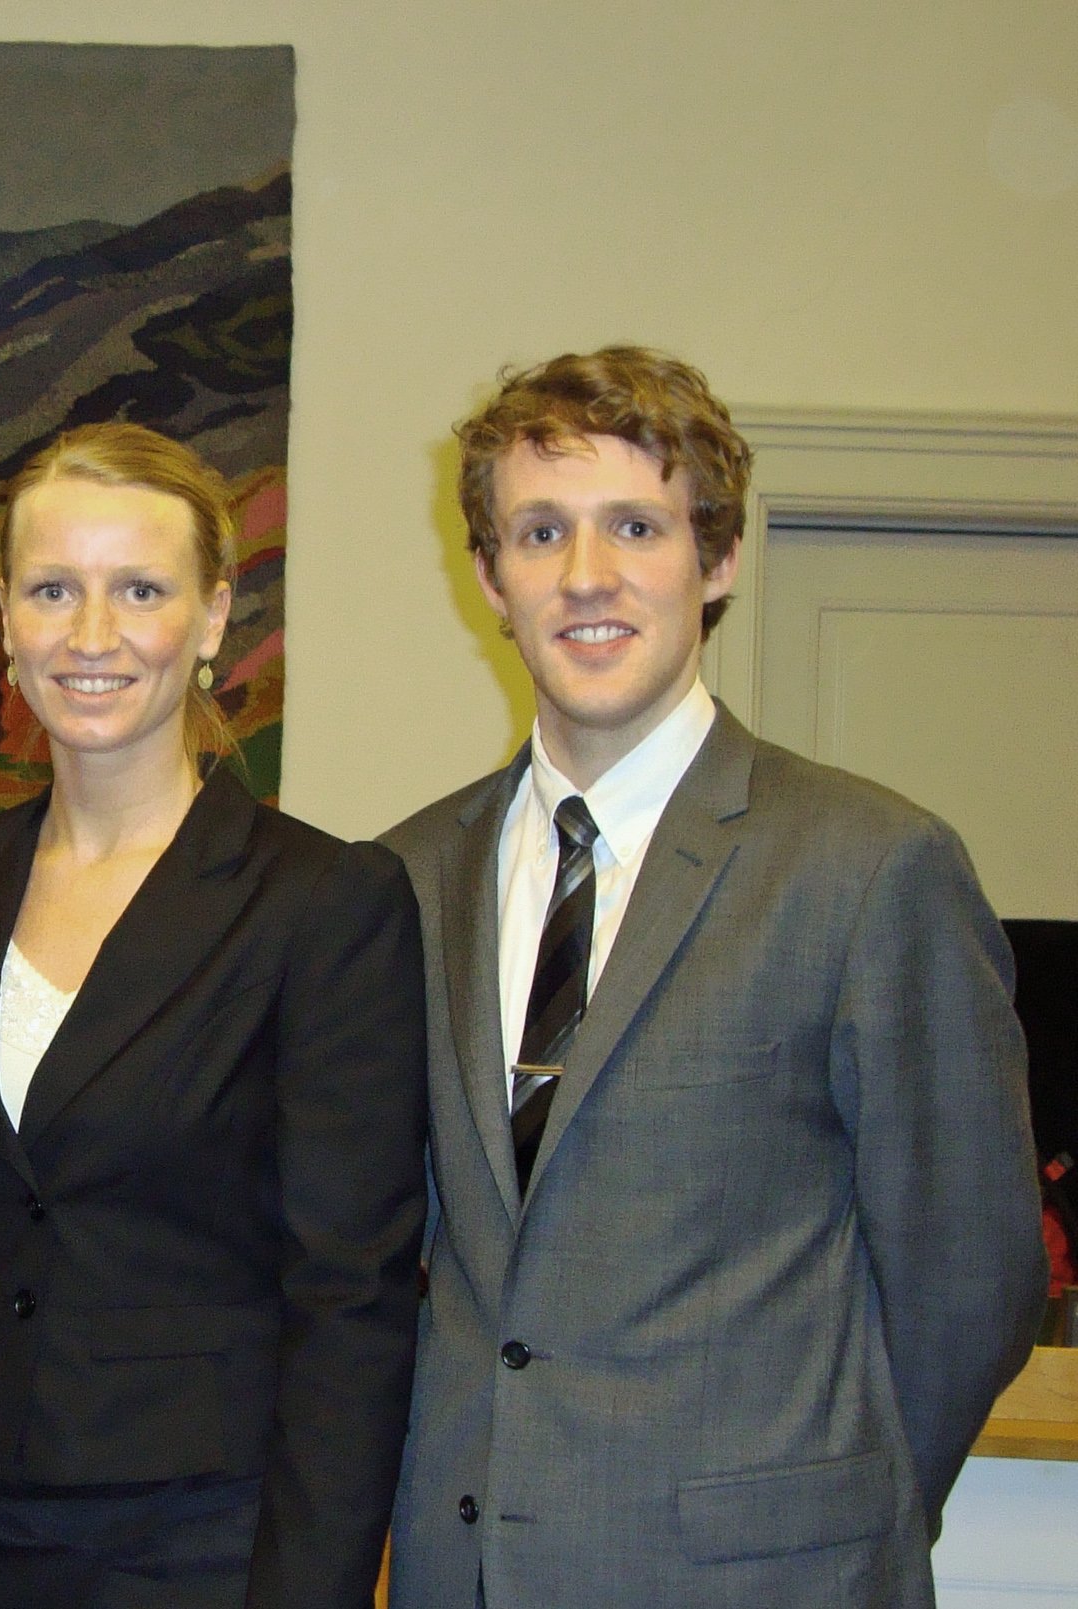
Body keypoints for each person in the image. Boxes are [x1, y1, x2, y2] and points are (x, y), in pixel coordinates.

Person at [384, 346, 1044, 1607]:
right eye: (539, 531)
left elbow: (971, 1283)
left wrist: (841, 1515)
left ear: (717, 558)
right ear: (488, 577)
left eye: (635, 524)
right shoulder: (406, 878)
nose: (586, 576)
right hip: (463, 1570)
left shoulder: (867, 866)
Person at [0, 423, 428, 1608]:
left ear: (214, 618)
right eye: (53, 590)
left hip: (196, 1545)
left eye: (139, 590)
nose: (91, 635)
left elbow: (351, 1296)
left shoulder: (322, 902)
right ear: (4, 617)